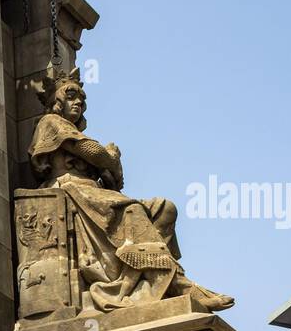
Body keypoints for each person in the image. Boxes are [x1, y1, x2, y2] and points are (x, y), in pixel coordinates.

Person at [28, 65, 232, 313]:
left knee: (164, 208)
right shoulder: (50, 122)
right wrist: (110, 158)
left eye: (81, 98)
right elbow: (94, 153)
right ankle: (179, 286)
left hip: (94, 193)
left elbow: (113, 177)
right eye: (71, 96)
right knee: (132, 210)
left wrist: (108, 163)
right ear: (56, 101)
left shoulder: (70, 129)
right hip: (73, 191)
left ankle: (153, 283)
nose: (78, 102)